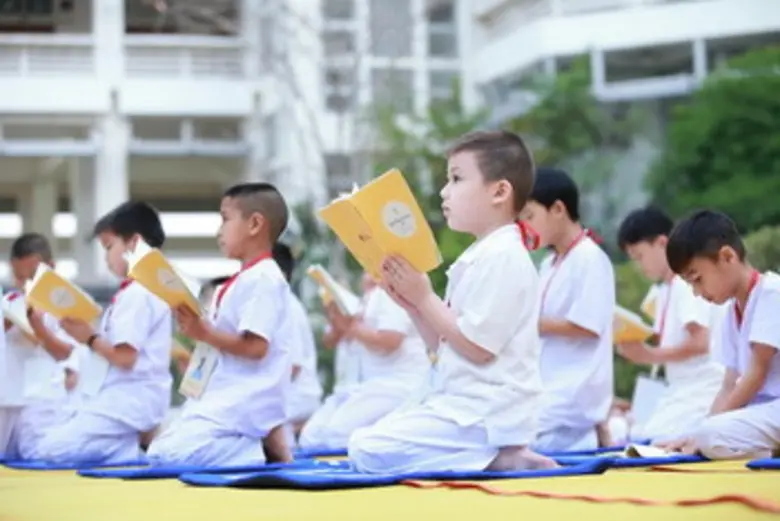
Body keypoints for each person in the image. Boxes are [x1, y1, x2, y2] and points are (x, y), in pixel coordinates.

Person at [348, 130, 556, 473]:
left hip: (486, 412)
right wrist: (412, 305)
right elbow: (444, 344)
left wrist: (424, 296)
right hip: (462, 404)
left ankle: (496, 457)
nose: (444, 192)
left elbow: (478, 347)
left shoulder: (504, 255)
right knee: (366, 439)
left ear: (500, 191)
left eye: (456, 179)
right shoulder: (481, 254)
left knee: (367, 449)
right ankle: (490, 456)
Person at [147, 183, 295, 466]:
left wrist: (204, 331)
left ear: (254, 224)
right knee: (160, 449)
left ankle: (257, 451)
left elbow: (256, 347)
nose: (219, 231)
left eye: (225, 219)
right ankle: (256, 442)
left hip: (246, 397)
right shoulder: (240, 280)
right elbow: (220, 342)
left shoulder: (264, 278)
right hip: (224, 394)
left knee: (168, 455)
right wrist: (195, 328)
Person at [28, 202, 173, 464]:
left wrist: (90, 337)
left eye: (108, 248)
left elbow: (125, 357)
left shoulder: (139, 293)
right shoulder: (137, 291)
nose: (106, 258)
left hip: (129, 402)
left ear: (133, 243)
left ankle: (131, 451)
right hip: (118, 399)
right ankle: (126, 449)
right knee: (51, 441)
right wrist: (83, 334)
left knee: (48, 451)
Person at [658, 210, 779, 459]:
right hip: (765, 414)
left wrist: (703, 433)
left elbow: (755, 375)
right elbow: (728, 385)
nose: (696, 292)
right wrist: (696, 433)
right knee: (701, 432)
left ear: (727, 256)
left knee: (711, 435)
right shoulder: (731, 313)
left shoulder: (771, 293)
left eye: (698, 279)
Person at [521, 167, 614, 453]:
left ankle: (587, 439)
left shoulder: (590, 258)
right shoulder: (547, 264)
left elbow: (587, 326)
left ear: (558, 209)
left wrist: (528, 323)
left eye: (529, 216)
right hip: (546, 387)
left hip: (571, 395)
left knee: (513, 443)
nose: (525, 226)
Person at [615, 206, 724, 442]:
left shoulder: (685, 284)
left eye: (640, 256)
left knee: (652, 437)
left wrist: (648, 355)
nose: (639, 266)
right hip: (682, 386)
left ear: (662, 243)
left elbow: (700, 342)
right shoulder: (667, 288)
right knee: (636, 433)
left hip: (703, 386)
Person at [298, 270, 428, 451]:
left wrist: (349, 326)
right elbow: (330, 340)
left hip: (397, 386)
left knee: (336, 437)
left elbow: (390, 340)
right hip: (365, 387)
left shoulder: (388, 295)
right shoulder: (363, 302)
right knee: (310, 439)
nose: (367, 276)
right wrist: (337, 318)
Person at [3, 233, 88, 459]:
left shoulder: (67, 307)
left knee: (38, 456)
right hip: (9, 402)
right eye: (19, 277)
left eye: (31, 276)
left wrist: (38, 327)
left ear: (51, 267)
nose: (25, 284)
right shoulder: (8, 303)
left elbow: (65, 353)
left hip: (45, 405)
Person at [271, 242, 323, 436]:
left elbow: (292, 368)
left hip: (297, 397)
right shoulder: (276, 304)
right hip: (286, 396)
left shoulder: (287, 307)